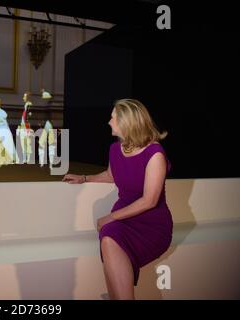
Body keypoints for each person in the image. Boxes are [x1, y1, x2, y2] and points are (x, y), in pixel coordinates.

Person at [62, 99, 173, 300]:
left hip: (151, 224)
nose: (109, 121)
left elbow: (149, 201)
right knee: (109, 237)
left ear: (126, 122)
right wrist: (84, 178)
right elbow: (111, 175)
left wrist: (111, 217)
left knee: (108, 230)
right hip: (124, 218)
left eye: (113, 117)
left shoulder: (155, 153)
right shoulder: (116, 148)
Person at [0, 98, 16, 164]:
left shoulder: (3, 112)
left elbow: (3, 121)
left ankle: (7, 157)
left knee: (5, 142)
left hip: (2, 128)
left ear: (0, 103)